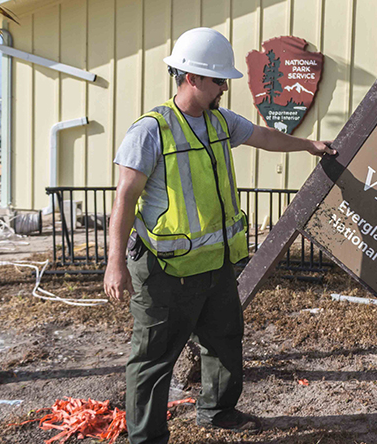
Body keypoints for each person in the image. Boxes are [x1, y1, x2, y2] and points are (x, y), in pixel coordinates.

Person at [104, 27, 336, 444]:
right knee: (154, 359)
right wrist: (114, 263)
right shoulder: (151, 131)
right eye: (218, 80)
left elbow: (263, 136)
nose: (224, 88)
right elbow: (124, 198)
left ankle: (217, 411)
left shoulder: (219, 123)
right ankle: (146, 438)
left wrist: (308, 145)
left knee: (225, 340)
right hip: (165, 271)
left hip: (215, 264)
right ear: (191, 78)